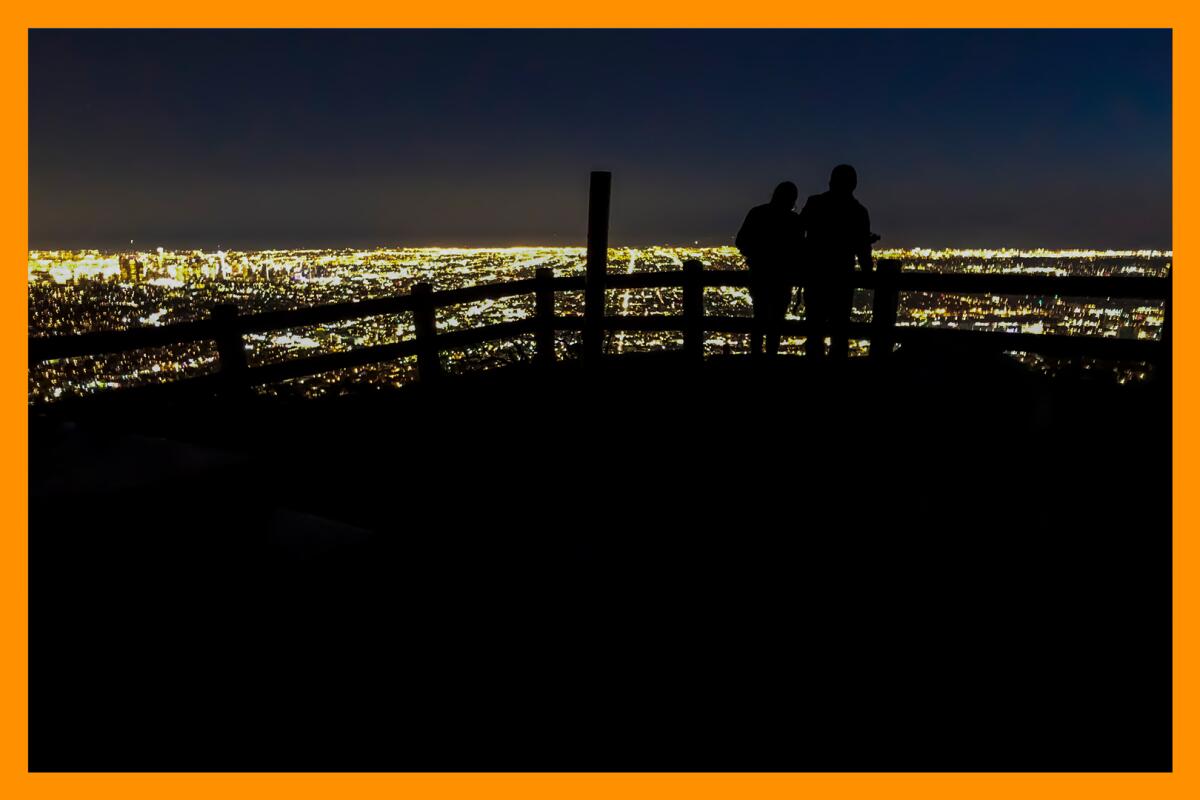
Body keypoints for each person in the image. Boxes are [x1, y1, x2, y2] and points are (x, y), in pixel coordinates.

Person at [796, 165, 877, 360]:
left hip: (815, 274)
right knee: (840, 329)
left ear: (831, 181)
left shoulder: (814, 203)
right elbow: (862, 248)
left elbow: (798, 232)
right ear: (854, 184)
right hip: (842, 276)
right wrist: (868, 273)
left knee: (814, 327)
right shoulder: (858, 211)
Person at [735, 182, 803, 356]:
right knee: (776, 322)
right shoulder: (793, 221)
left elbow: (740, 242)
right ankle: (771, 356)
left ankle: (756, 356)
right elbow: (799, 250)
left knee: (759, 318)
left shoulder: (757, 213)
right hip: (782, 278)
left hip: (759, 274)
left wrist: (757, 255)